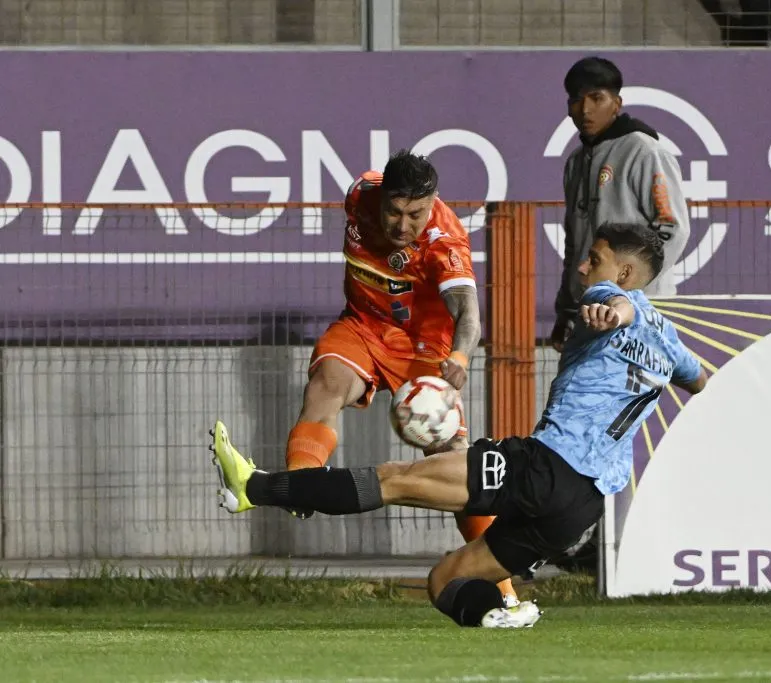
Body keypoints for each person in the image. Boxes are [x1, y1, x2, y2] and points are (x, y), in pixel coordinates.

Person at [208, 222, 708, 628]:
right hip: (582, 507)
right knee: (445, 580)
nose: (582, 266)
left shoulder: (611, 296)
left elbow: (618, 306)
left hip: (546, 467)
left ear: (624, 272)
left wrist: (612, 315)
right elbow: (699, 380)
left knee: (394, 480)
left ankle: (253, 487)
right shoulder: (669, 340)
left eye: (593, 259)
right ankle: (497, 615)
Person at [283, 149, 517, 607]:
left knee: (453, 463)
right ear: (381, 196)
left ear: (432, 204)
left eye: (416, 214)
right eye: (395, 211)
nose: (404, 225)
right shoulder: (359, 193)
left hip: (425, 346)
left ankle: (502, 586)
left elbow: (468, 313)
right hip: (364, 326)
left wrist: (461, 357)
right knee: (326, 384)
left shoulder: (444, 240)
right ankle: (297, 483)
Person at [552, 57, 691, 352]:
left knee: (638, 382)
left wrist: (630, 288)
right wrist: (566, 309)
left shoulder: (644, 151)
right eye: (576, 100)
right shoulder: (575, 162)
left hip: (642, 307)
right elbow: (574, 244)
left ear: (616, 104)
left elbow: (672, 228)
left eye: (597, 98)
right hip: (592, 308)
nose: (585, 109)